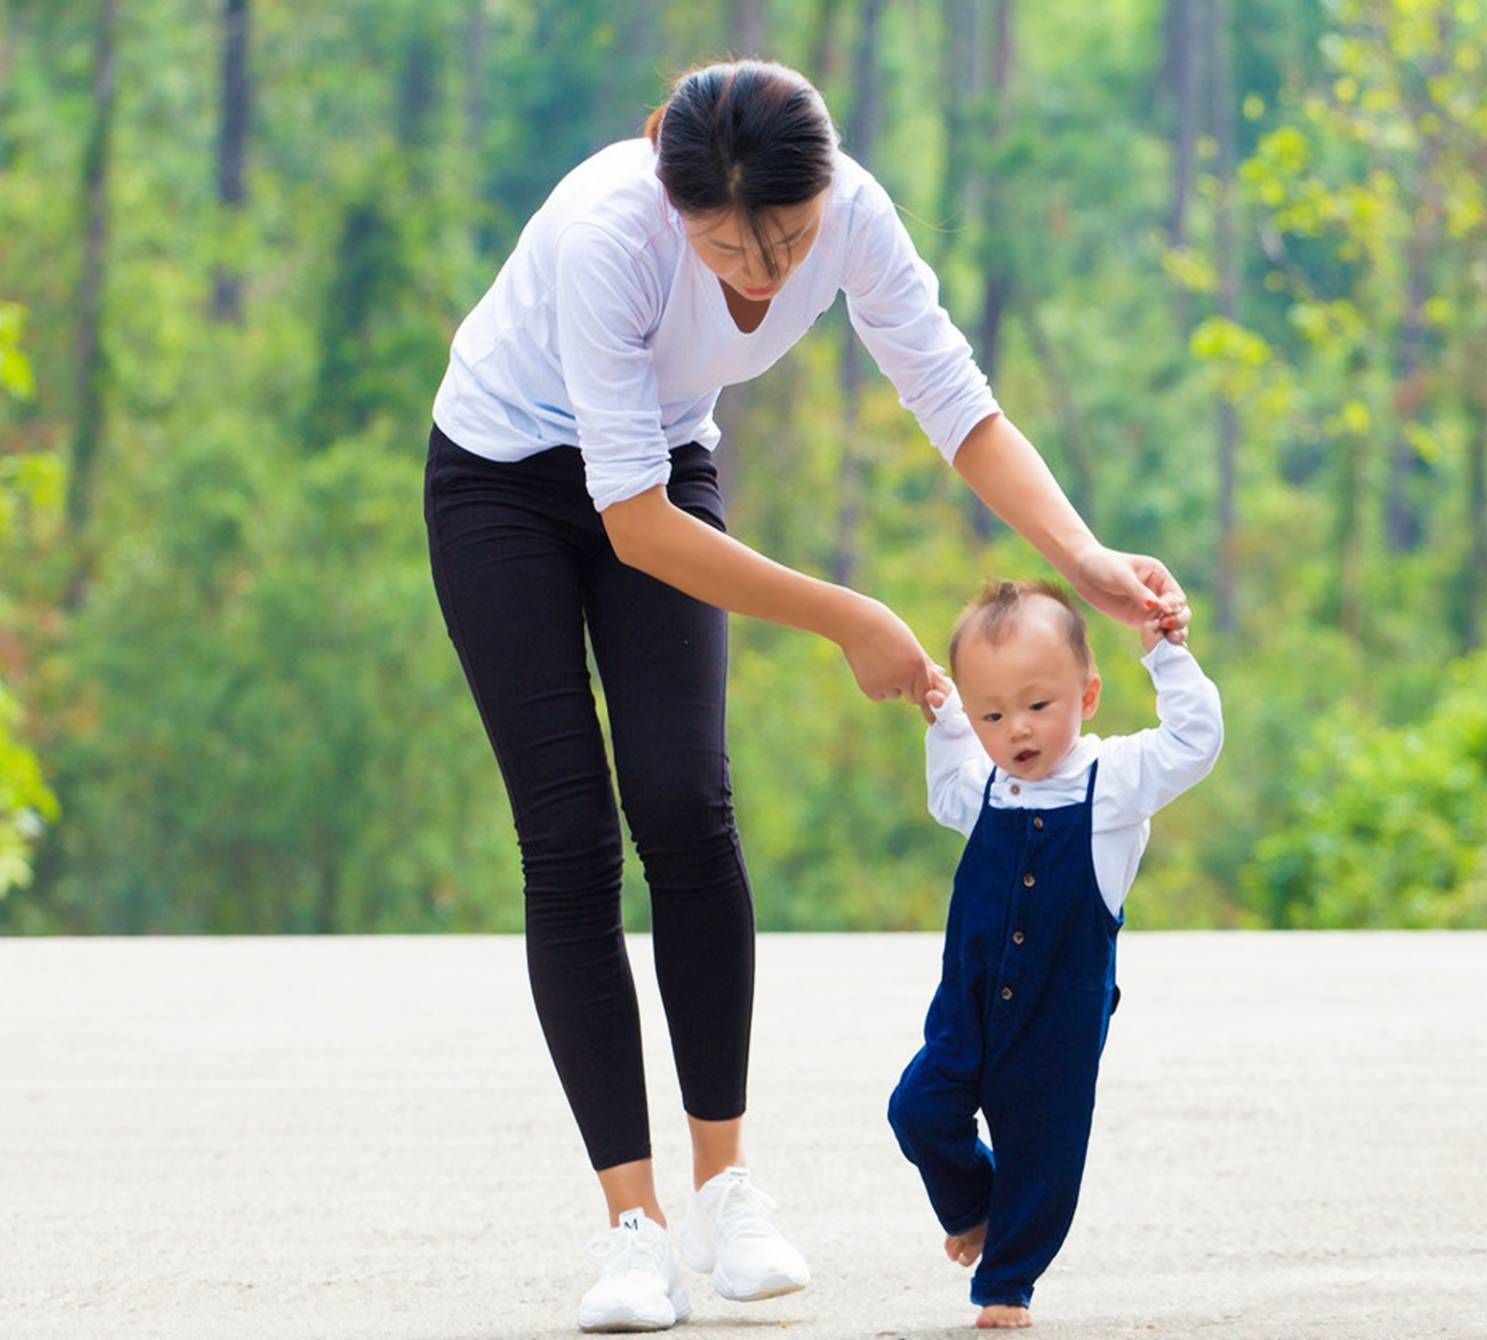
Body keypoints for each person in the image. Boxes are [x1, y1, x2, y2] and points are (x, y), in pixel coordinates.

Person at [422, 59, 1192, 1333]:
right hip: (503, 483)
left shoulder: (854, 217)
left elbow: (955, 401)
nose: (759, 274)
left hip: (664, 464)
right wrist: (851, 616)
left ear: (822, 191)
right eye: (723, 243)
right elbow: (629, 525)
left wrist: (1084, 560)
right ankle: (634, 1225)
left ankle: (725, 1186)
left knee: (685, 800)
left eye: (782, 238)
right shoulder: (609, 231)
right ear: (671, 188)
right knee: (568, 838)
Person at [889, 579, 1223, 1328]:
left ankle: (1007, 1283)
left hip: (1056, 1017)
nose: (1018, 732)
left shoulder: (1114, 784)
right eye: (993, 715)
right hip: (966, 1009)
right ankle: (974, 1204)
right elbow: (947, 789)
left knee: (1042, 1154)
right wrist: (943, 721)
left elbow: (1194, 744)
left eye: (1039, 706)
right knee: (917, 1109)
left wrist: (1168, 660)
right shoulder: (982, 786)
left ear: (1088, 695)